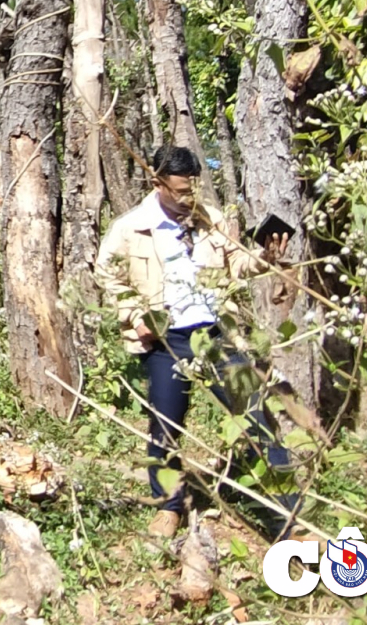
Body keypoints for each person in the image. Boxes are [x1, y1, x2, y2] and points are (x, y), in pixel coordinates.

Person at [94, 143, 303, 541]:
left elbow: (237, 264)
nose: (188, 197)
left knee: (257, 415)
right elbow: (108, 275)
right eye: (179, 190)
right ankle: (168, 505)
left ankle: (287, 517)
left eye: (193, 188)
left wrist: (265, 257)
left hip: (215, 334)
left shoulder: (211, 220)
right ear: (157, 183)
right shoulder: (131, 227)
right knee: (165, 425)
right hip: (166, 339)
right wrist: (136, 317)